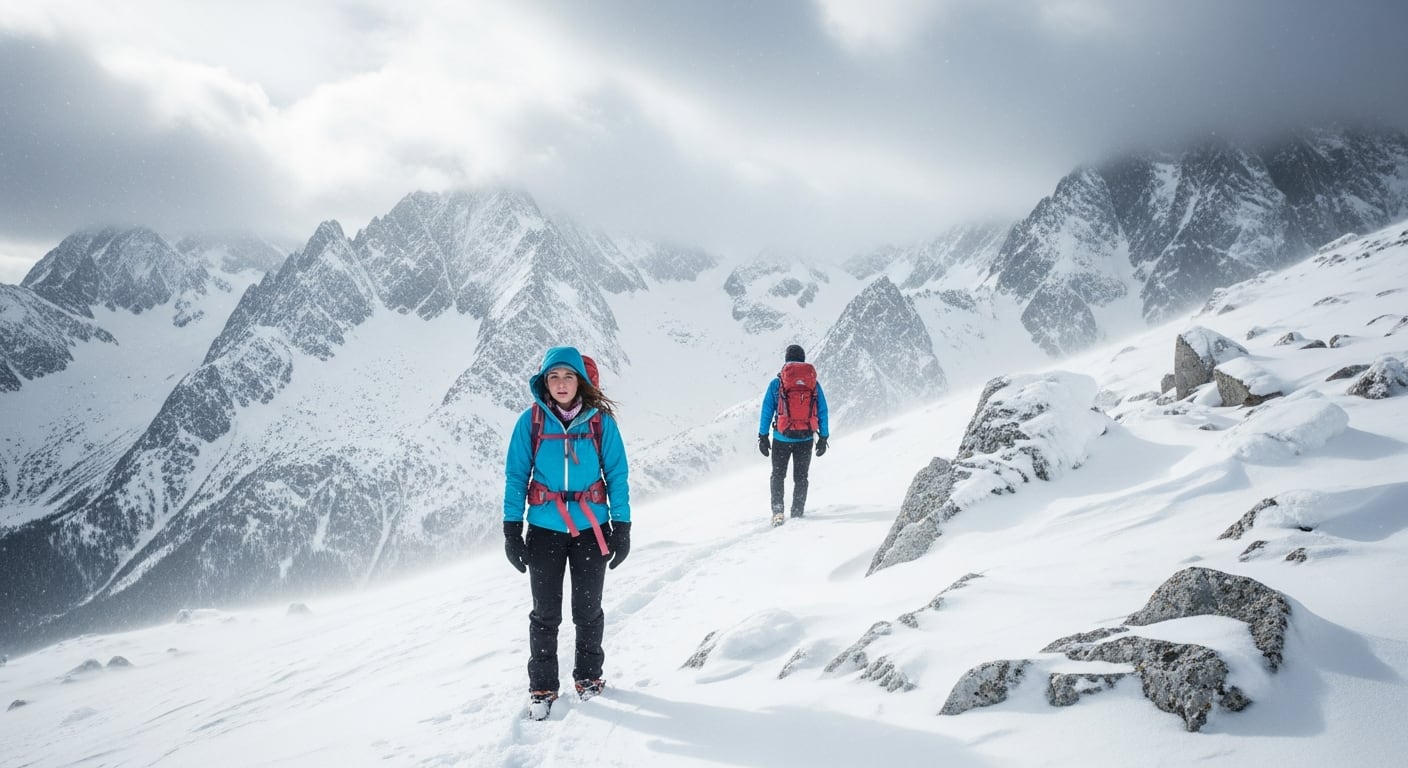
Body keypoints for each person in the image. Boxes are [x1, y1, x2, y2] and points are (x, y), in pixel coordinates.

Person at [503, 346, 631, 719]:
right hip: (544, 530)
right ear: (544, 382)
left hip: (591, 528)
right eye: (554, 377)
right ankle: (542, 687)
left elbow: (617, 474)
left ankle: (589, 679)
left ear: (581, 381)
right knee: (545, 613)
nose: (561, 384)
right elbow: (516, 476)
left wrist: (622, 525)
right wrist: (512, 528)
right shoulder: (530, 423)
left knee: (588, 611)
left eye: (568, 376)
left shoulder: (600, 423)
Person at [757, 343, 829, 527]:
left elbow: (766, 410)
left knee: (778, 475)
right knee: (801, 477)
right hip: (805, 438)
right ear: (803, 359)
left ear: (786, 360)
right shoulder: (813, 384)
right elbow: (822, 410)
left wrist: (763, 436)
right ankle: (797, 512)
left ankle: (778, 512)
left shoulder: (777, 383)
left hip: (782, 438)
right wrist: (823, 437)